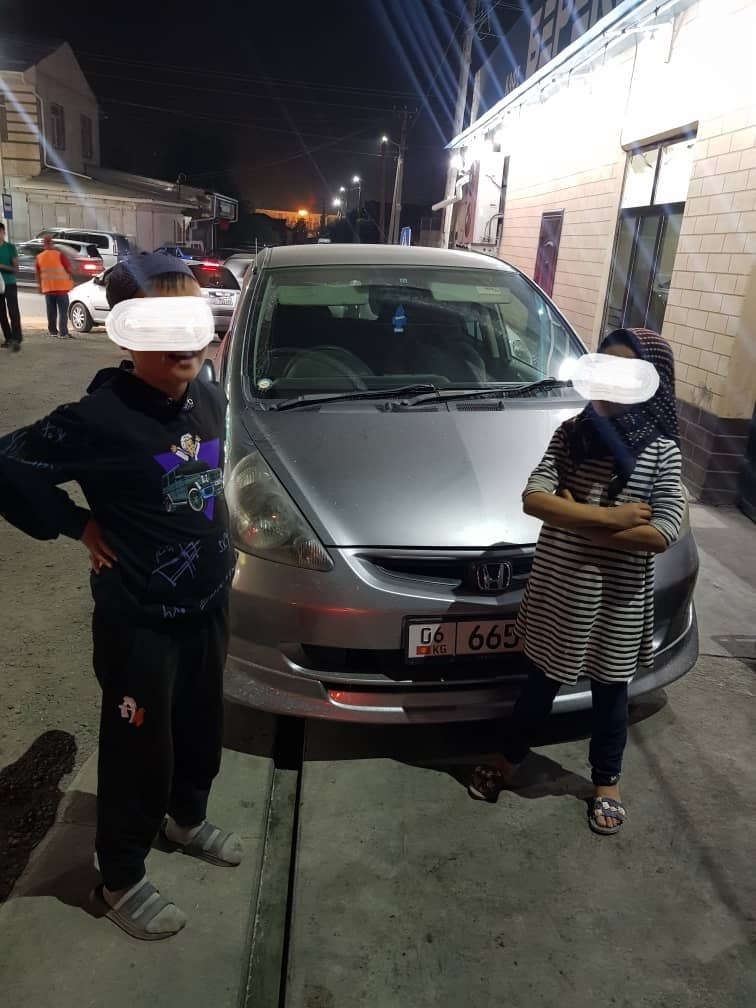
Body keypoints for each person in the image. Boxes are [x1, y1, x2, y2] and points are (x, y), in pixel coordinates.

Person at [0, 252, 242, 939]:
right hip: (140, 622)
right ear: (128, 331)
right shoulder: (97, 418)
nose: (183, 341)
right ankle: (120, 877)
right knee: (140, 750)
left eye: (190, 320)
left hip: (208, 605)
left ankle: (186, 818)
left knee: (201, 726)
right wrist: (75, 522)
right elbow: (7, 464)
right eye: (160, 324)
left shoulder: (209, 396)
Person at [468, 328, 686, 835]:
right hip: (560, 594)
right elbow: (534, 498)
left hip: (616, 602)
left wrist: (570, 515)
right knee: (537, 687)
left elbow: (661, 532)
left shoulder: (662, 452)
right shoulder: (571, 434)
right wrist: (610, 518)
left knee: (611, 697)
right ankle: (508, 758)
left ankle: (606, 781)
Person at [35, 234, 75, 339]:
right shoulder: (59, 255)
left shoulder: (39, 257)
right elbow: (69, 269)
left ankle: (53, 331)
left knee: (51, 312)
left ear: (43, 244)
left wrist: (39, 287)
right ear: (52, 243)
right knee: (63, 312)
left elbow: (38, 274)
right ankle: (63, 333)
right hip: (61, 289)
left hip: (48, 289)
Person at [0, 221, 22, 351]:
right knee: (1, 314)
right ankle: (8, 338)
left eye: (0, 232)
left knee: (13, 312)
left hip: (10, 284)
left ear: (4, 233)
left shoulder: (10, 247)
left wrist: (2, 266)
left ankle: (16, 338)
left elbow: (15, 268)